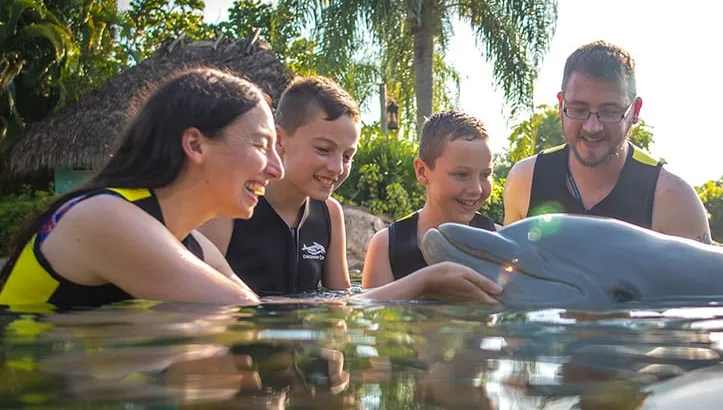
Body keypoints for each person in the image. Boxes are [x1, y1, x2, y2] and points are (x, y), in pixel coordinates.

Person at [0, 67, 501, 308]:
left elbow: (267, 310)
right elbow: (243, 312)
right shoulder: (104, 218)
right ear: (196, 145)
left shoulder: (188, 241)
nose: (275, 168)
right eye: (263, 145)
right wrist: (418, 284)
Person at [503, 41, 711, 243]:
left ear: (635, 111)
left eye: (610, 111)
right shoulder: (526, 180)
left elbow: (702, 278)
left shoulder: (673, 198)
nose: (592, 127)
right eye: (578, 109)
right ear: (561, 105)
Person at [198, 76, 357, 296]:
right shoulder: (233, 205)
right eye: (323, 149)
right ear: (279, 139)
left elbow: (340, 301)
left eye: (348, 156)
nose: (337, 167)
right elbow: (198, 294)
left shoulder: (330, 213)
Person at [362, 110, 499, 288]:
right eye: (461, 174)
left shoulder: (500, 241)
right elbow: (370, 311)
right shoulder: (387, 247)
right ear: (422, 171)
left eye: (485, 174)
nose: (476, 189)